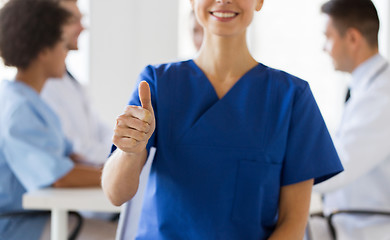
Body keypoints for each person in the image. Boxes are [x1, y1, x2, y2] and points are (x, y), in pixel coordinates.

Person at [102, 0, 343, 239]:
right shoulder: (157, 84)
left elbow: (293, 222)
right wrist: (130, 151)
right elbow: (116, 194)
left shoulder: (292, 98)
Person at [0, 1, 115, 239]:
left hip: (45, 216)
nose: (67, 53)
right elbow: (59, 177)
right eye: (63, 45)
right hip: (19, 225)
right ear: (43, 51)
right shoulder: (19, 108)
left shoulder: (31, 100)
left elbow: (69, 156)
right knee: (126, 233)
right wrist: (119, 176)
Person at [309, 0, 390, 239]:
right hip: (351, 226)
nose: (324, 47)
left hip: (371, 230)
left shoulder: (382, 95)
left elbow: (339, 165)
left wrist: (274, 173)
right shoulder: (365, 88)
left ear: (353, 39)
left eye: (328, 36)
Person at [41, 0, 113, 166]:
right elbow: (74, 149)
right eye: (73, 21)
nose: (82, 28)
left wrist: (122, 149)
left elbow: (100, 129)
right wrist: (121, 156)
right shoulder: (43, 86)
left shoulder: (69, 79)